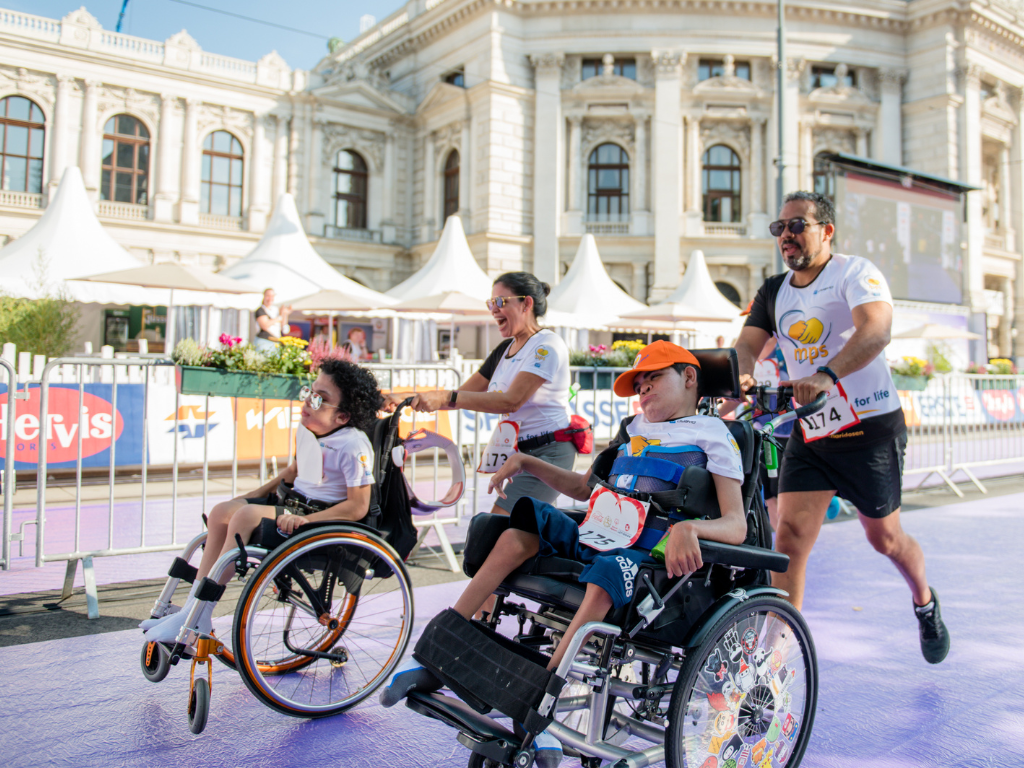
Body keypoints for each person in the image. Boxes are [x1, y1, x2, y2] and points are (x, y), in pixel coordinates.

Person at [380, 342, 747, 765]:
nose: (643, 389)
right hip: (600, 532)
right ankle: (436, 658)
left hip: (650, 557)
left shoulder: (714, 435)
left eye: (653, 378)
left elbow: (736, 525)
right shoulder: (631, 430)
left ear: (689, 378)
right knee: (516, 531)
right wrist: (526, 462)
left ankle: (540, 708)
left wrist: (689, 528)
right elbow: (583, 489)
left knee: (607, 573)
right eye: (639, 384)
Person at [734, 190, 949, 664]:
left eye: (797, 225)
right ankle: (773, 659)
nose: (786, 235)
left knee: (884, 539)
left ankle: (925, 601)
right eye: (779, 228)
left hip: (869, 429)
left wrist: (827, 375)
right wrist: (742, 376)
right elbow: (747, 345)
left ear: (826, 231)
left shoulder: (855, 273)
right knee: (789, 536)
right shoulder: (774, 291)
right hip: (813, 433)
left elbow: (876, 330)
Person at [140, 359, 383, 643]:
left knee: (244, 517)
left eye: (319, 398)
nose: (308, 401)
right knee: (221, 512)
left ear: (342, 416)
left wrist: (306, 519)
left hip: (318, 518)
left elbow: (358, 507)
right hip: (295, 504)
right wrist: (247, 497)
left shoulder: (353, 445)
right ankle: (193, 611)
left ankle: (199, 614)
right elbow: (293, 473)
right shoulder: (308, 430)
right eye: (309, 392)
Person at [387, 272, 578, 516]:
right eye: (490, 303)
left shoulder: (546, 345)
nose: (493, 309)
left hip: (548, 453)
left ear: (526, 303)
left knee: (498, 527)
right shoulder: (506, 348)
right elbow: (461, 395)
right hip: (520, 454)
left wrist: (444, 397)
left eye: (500, 301)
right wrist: (405, 398)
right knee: (522, 529)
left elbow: (510, 401)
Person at [254, 288, 291, 352]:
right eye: (268, 296)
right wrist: (279, 317)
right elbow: (264, 325)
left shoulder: (275, 310)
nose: (270, 298)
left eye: (272, 296)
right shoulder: (260, 310)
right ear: (264, 296)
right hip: (264, 341)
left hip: (276, 342)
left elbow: (284, 329)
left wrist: (285, 314)